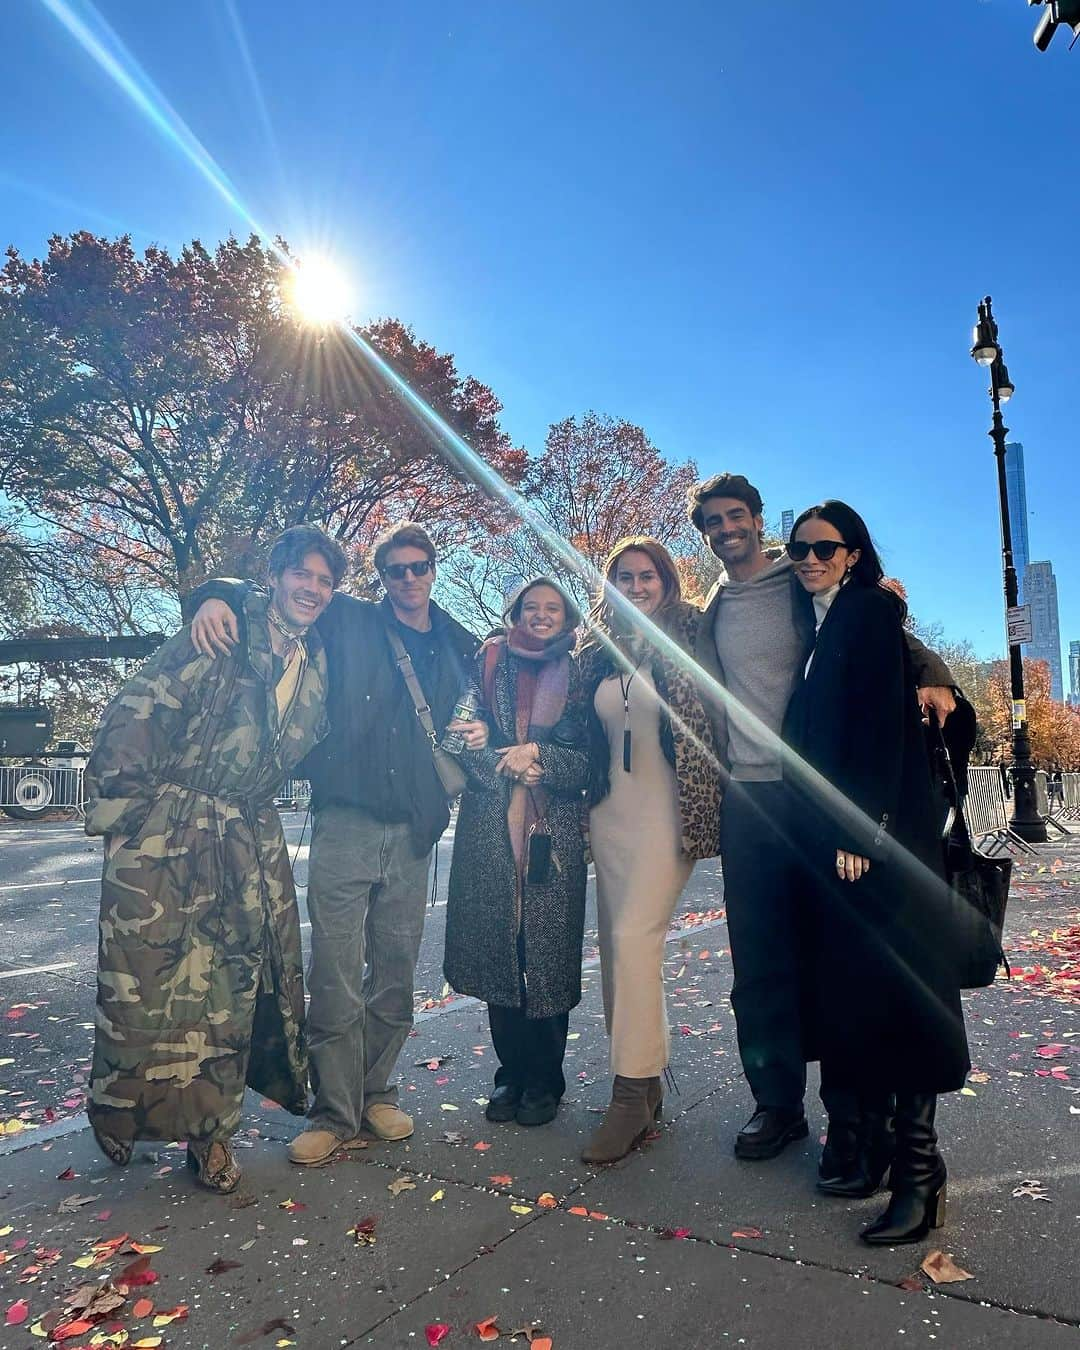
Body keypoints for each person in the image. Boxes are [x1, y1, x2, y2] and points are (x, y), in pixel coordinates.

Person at [189, 521, 487, 1165]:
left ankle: (377, 1092)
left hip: (413, 828)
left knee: (396, 973)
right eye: (395, 570)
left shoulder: (458, 641)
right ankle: (334, 1110)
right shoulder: (350, 619)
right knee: (334, 976)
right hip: (345, 821)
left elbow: (485, 700)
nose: (408, 579)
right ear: (381, 579)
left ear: (435, 569)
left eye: (419, 567)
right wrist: (210, 593)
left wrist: (469, 757)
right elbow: (269, 589)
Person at [688, 473, 957, 1171]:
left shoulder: (801, 576)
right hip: (747, 799)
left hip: (813, 796)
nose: (726, 530)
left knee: (836, 956)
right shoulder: (712, 604)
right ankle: (777, 1104)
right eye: (712, 522)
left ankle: (852, 1118)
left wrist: (935, 672)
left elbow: (875, 622)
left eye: (735, 516)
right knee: (759, 961)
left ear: (756, 518)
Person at [84, 524, 344, 1193]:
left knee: (232, 990)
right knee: (147, 988)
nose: (312, 589)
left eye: (325, 581)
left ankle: (211, 1137)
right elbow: (133, 715)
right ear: (276, 576)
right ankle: (121, 1115)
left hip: (248, 834)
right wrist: (129, 826)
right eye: (302, 575)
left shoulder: (316, 660)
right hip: (169, 834)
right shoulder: (220, 632)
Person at [781, 500, 970, 1244]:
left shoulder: (862, 613)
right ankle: (887, 1153)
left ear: (855, 553)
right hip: (850, 842)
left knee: (904, 998)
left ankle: (922, 1175)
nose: (810, 559)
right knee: (867, 995)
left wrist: (858, 826)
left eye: (825, 548)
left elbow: (878, 725)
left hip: (876, 842)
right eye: (798, 549)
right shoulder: (827, 623)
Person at [577, 537, 722, 1163]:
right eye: (624, 577)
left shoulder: (693, 631)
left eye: (647, 576)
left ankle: (631, 1093)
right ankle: (647, 1077)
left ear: (667, 581)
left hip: (671, 815)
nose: (636, 587)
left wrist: (931, 670)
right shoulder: (595, 649)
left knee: (636, 939)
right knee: (618, 955)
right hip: (608, 819)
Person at [444, 577, 589, 1127]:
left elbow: (589, 762)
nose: (542, 616)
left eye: (553, 608)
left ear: (568, 617)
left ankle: (546, 1080)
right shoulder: (486, 663)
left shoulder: (580, 674)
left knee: (546, 957)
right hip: (490, 826)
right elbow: (458, 735)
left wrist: (542, 761)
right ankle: (509, 1076)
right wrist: (506, 762)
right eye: (532, 607)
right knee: (498, 954)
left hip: (554, 830)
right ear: (516, 613)